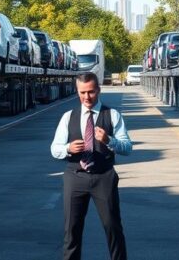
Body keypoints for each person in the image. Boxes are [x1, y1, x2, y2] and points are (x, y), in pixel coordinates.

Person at [50, 72, 133, 260]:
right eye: (82, 92)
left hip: (103, 176)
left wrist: (109, 140)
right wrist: (68, 148)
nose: (87, 97)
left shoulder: (112, 115)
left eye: (91, 92)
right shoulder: (68, 117)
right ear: (77, 91)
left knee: (113, 227)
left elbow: (127, 148)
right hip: (75, 176)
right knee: (71, 230)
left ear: (98, 90)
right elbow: (54, 149)